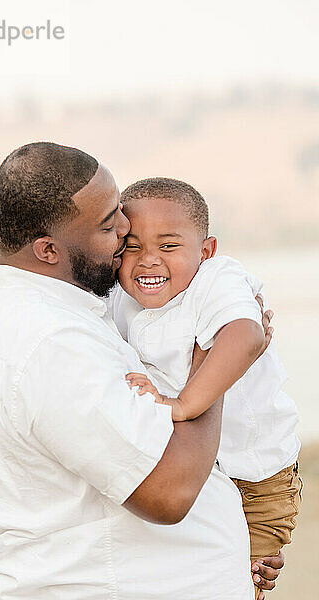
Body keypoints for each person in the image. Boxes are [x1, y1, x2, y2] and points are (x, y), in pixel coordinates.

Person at [0, 142, 281, 600]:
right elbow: (168, 493)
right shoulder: (50, 343)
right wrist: (206, 354)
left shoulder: (66, 308)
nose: (127, 228)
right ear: (48, 249)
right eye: (109, 225)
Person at [108, 177, 302, 599]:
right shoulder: (121, 301)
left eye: (169, 246)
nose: (148, 261)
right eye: (133, 246)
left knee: (240, 584)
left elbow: (247, 335)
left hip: (256, 479)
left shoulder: (217, 280)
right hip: (196, 475)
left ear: (206, 251)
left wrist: (182, 405)